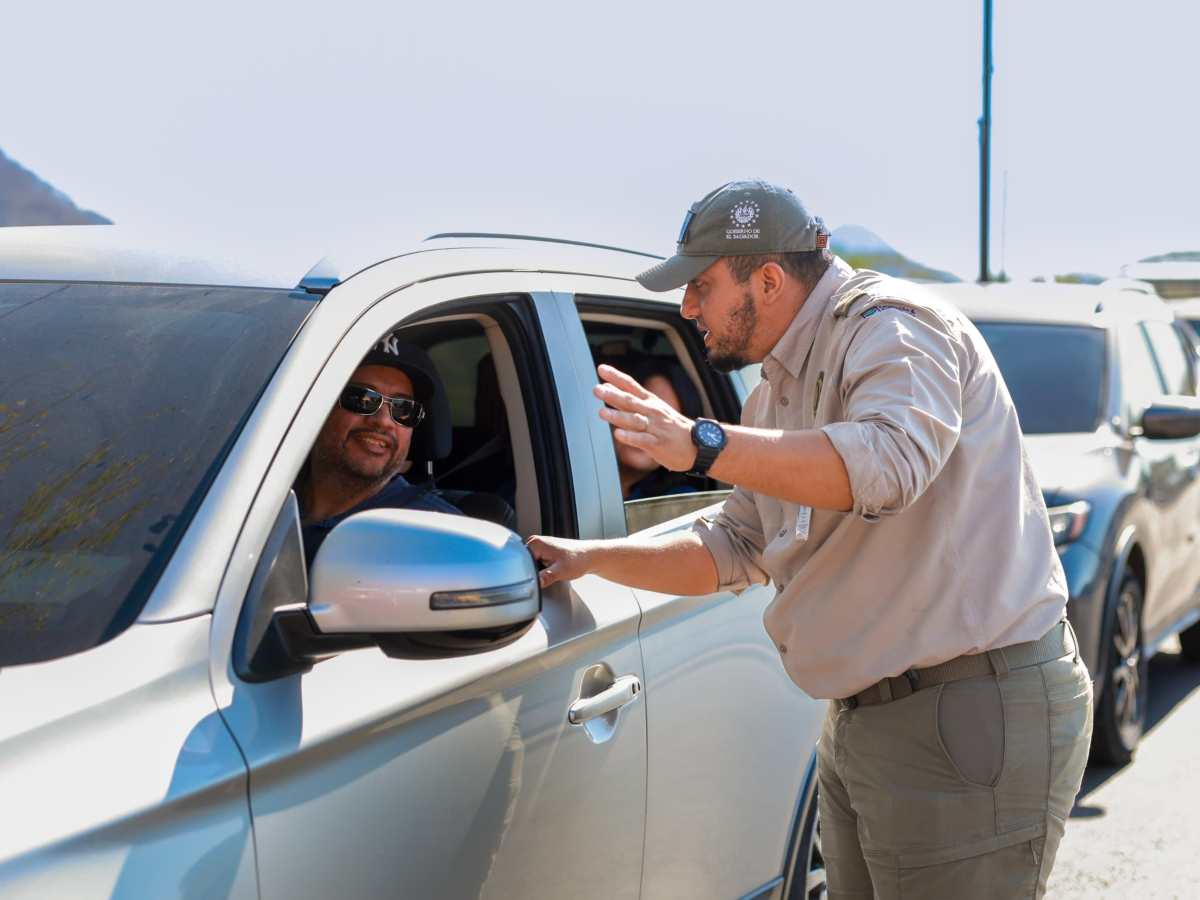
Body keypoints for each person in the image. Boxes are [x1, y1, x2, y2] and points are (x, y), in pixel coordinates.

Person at [527, 180, 1092, 899]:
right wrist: (593, 559)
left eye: (701, 286)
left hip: (963, 712)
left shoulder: (893, 327)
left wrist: (700, 443)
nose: (688, 308)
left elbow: (887, 465)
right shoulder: (778, 391)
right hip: (872, 719)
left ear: (767, 278)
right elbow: (735, 546)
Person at [297, 333, 461, 566]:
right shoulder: (253, 498)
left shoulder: (437, 537)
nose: (383, 421)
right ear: (320, 406)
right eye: (363, 398)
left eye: (403, 408)